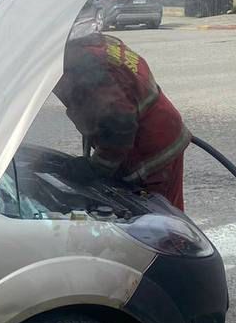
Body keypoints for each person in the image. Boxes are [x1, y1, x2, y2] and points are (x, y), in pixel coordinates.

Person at [53, 32, 190, 209]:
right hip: (161, 128)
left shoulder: (84, 67)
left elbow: (120, 124)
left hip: (151, 149)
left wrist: (97, 168)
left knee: (158, 220)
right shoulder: (96, 43)